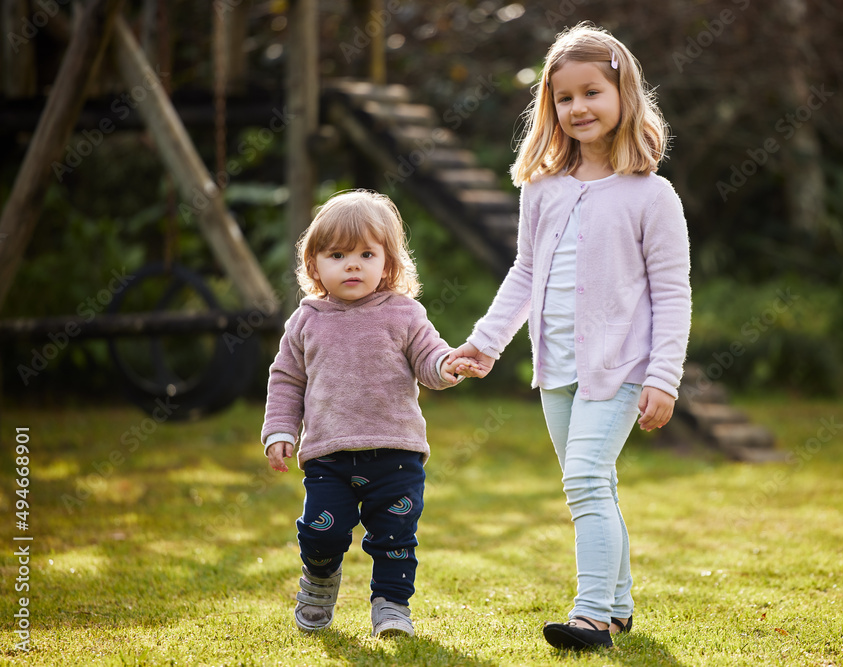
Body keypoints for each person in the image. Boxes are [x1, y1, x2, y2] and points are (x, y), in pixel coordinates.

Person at [447, 23, 691, 650]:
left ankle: (590, 616)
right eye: (564, 98)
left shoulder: (652, 196)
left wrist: (663, 378)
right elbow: (525, 273)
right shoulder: (543, 188)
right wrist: (485, 342)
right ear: (549, 107)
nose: (578, 107)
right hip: (556, 367)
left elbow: (672, 294)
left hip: (621, 367)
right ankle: (618, 605)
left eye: (592, 93)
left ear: (623, 95)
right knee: (596, 485)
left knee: (583, 479)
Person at [262, 189, 479, 637]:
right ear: (314, 265)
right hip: (329, 455)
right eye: (338, 254)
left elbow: (429, 359)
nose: (353, 264)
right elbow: (287, 379)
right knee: (321, 532)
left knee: (395, 540)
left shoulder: (404, 314)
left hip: (395, 454)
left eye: (366, 253)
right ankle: (320, 580)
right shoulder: (306, 320)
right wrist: (280, 429)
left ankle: (392, 607)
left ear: (389, 264)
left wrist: (449, 365)